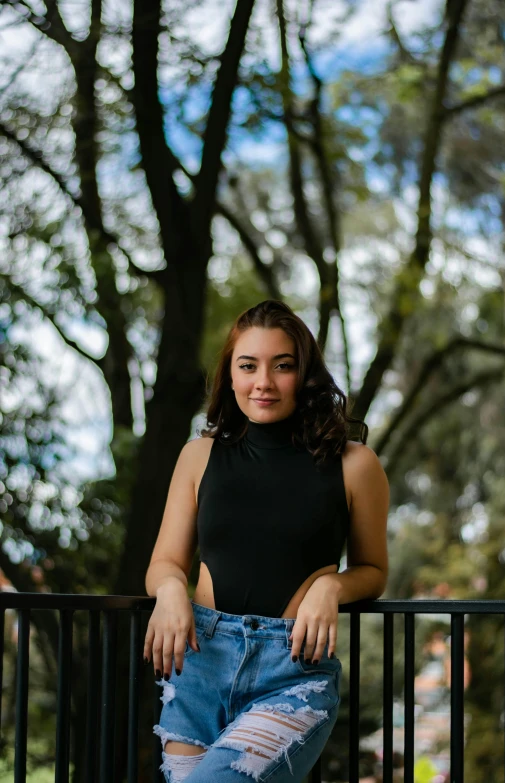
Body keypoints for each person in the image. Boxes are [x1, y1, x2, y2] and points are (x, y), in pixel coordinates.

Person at [143, 299, 389, 782]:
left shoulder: (355, 464)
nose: (263, 382)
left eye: (283, 366)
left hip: (291, 674)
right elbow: (164, 562)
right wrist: (171, 590)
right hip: (197, 665)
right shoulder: (198, 456)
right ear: (229, 378)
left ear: (306, 375)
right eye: (248, 365)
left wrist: (332, 588)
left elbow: (374, 571)